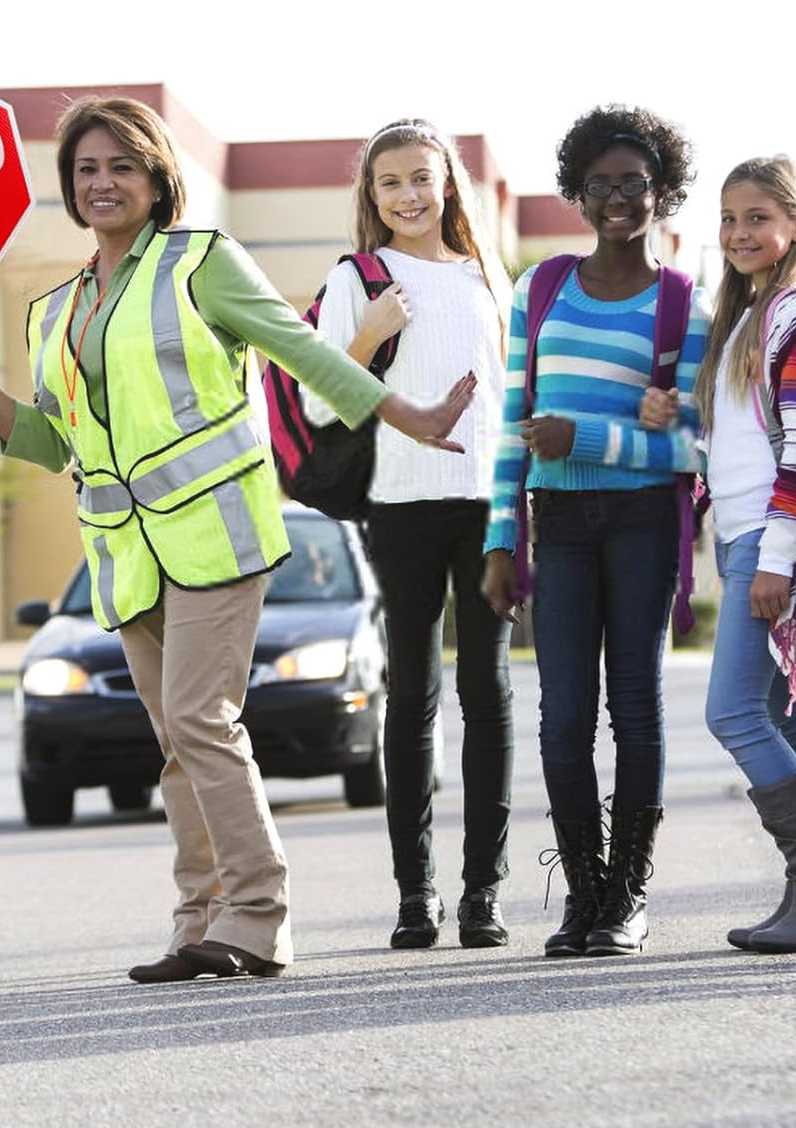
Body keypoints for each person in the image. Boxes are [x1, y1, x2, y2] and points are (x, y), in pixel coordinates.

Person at [0, 97, 469, 983]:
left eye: (121, 167)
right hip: (123, 549)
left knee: (201, 719)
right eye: (87, 170)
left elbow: (306, 354)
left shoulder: (202, 263)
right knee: (175, 737)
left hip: (217, 531)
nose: (103, 183)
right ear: (69, 184)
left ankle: (259, 914)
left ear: (156, 178)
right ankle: (198, 917)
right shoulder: (55, 309)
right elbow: (50, 442)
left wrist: (408, 415)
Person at [482, 105, 710, 957]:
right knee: (562, 714)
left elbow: (693, 443)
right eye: (602, 183)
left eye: (636, 183)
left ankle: (627, 896)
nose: (619, 197)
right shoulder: (540, 289)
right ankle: (582, 892)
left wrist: (591, 439)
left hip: (646, 521)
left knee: (636, 708)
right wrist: (500, 540)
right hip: (561, 523)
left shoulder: (684, 306)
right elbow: (514, 422)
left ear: (663, 193)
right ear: (578, 193)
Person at [302, 118, 514, 950]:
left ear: (448, 182)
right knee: (415, 700)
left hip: (490, 505)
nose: (408, 195)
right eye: (389, 183)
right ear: (371, 195)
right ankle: (415, 897)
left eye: (421, 177)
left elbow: (506, 393)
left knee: (487, 695)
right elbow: (323, 400)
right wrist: (368, 334)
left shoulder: (485, 275)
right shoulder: (360, 277)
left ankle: (483, 896)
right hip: (402, 506)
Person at [645, 156, 796, 952]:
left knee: (733, 709)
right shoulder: (751, 315)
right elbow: (735, 449)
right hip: (748, 531)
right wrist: (678, 420)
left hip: (772, 542)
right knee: (795, 714)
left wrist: (774, 558)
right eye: (729, 219)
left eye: (757, 218)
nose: (739, 233)